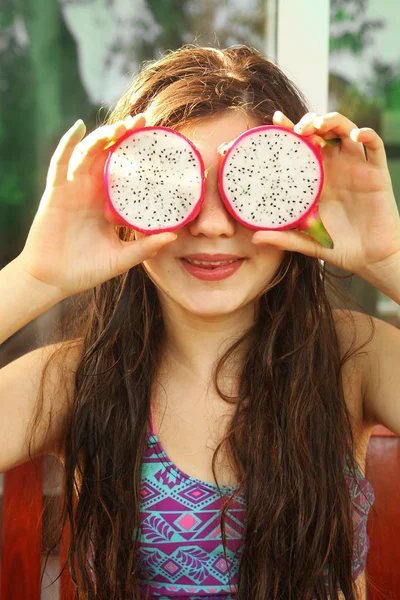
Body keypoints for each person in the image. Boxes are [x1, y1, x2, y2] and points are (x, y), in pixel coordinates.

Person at [0, 45, 399, 600]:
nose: (211, 224)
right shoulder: (75, 379)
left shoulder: (353, 359)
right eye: (171, 190)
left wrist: (388, 261)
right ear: (122, 207)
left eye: (251, 189)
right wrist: (34, 277)